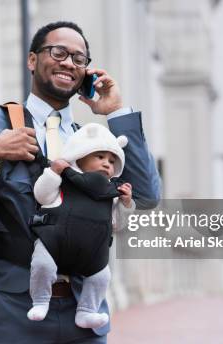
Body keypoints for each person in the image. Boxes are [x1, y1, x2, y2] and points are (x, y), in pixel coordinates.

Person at [0, 21, 160, 344]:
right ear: (32, 60)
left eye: (79, 59)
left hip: (85, 314)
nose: (69, 62)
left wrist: (116, 113)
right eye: (58, 52)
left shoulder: (94, 142)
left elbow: (148, 196)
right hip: (12, 314)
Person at [28, 123, 135, 330]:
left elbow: (117, 225)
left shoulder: (112, 193)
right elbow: (42, 195)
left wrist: (126, 204)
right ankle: (40, 300)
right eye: (100, 157)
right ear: (80, 155)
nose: (107, 164)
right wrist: (52, 173)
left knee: (102, 276)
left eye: (112, 161)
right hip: (55, 241)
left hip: (92, 253)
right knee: (42, 264)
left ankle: (87, 311)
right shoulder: (64, 180)